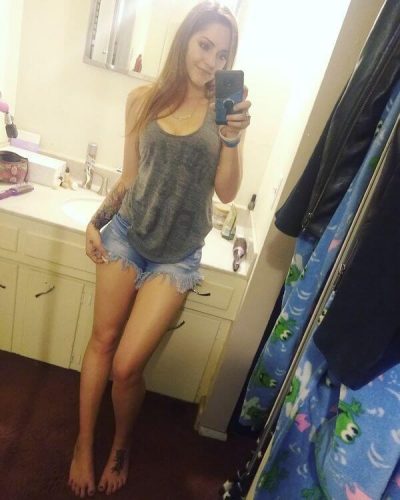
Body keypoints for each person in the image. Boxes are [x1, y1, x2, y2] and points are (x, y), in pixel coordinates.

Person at [68, 1, 251, 496]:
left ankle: (120, 444)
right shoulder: (142, 100)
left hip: (177, 254)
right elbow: (129, 177)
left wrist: (232, 139)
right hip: (127, 234)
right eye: (204, 45)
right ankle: (84, 443)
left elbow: (227, 193)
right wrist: (95, 221)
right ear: (185, 40)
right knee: (102, 342)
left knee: (127, 366)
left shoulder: (224, 115)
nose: (211, 60)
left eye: (223, 53)